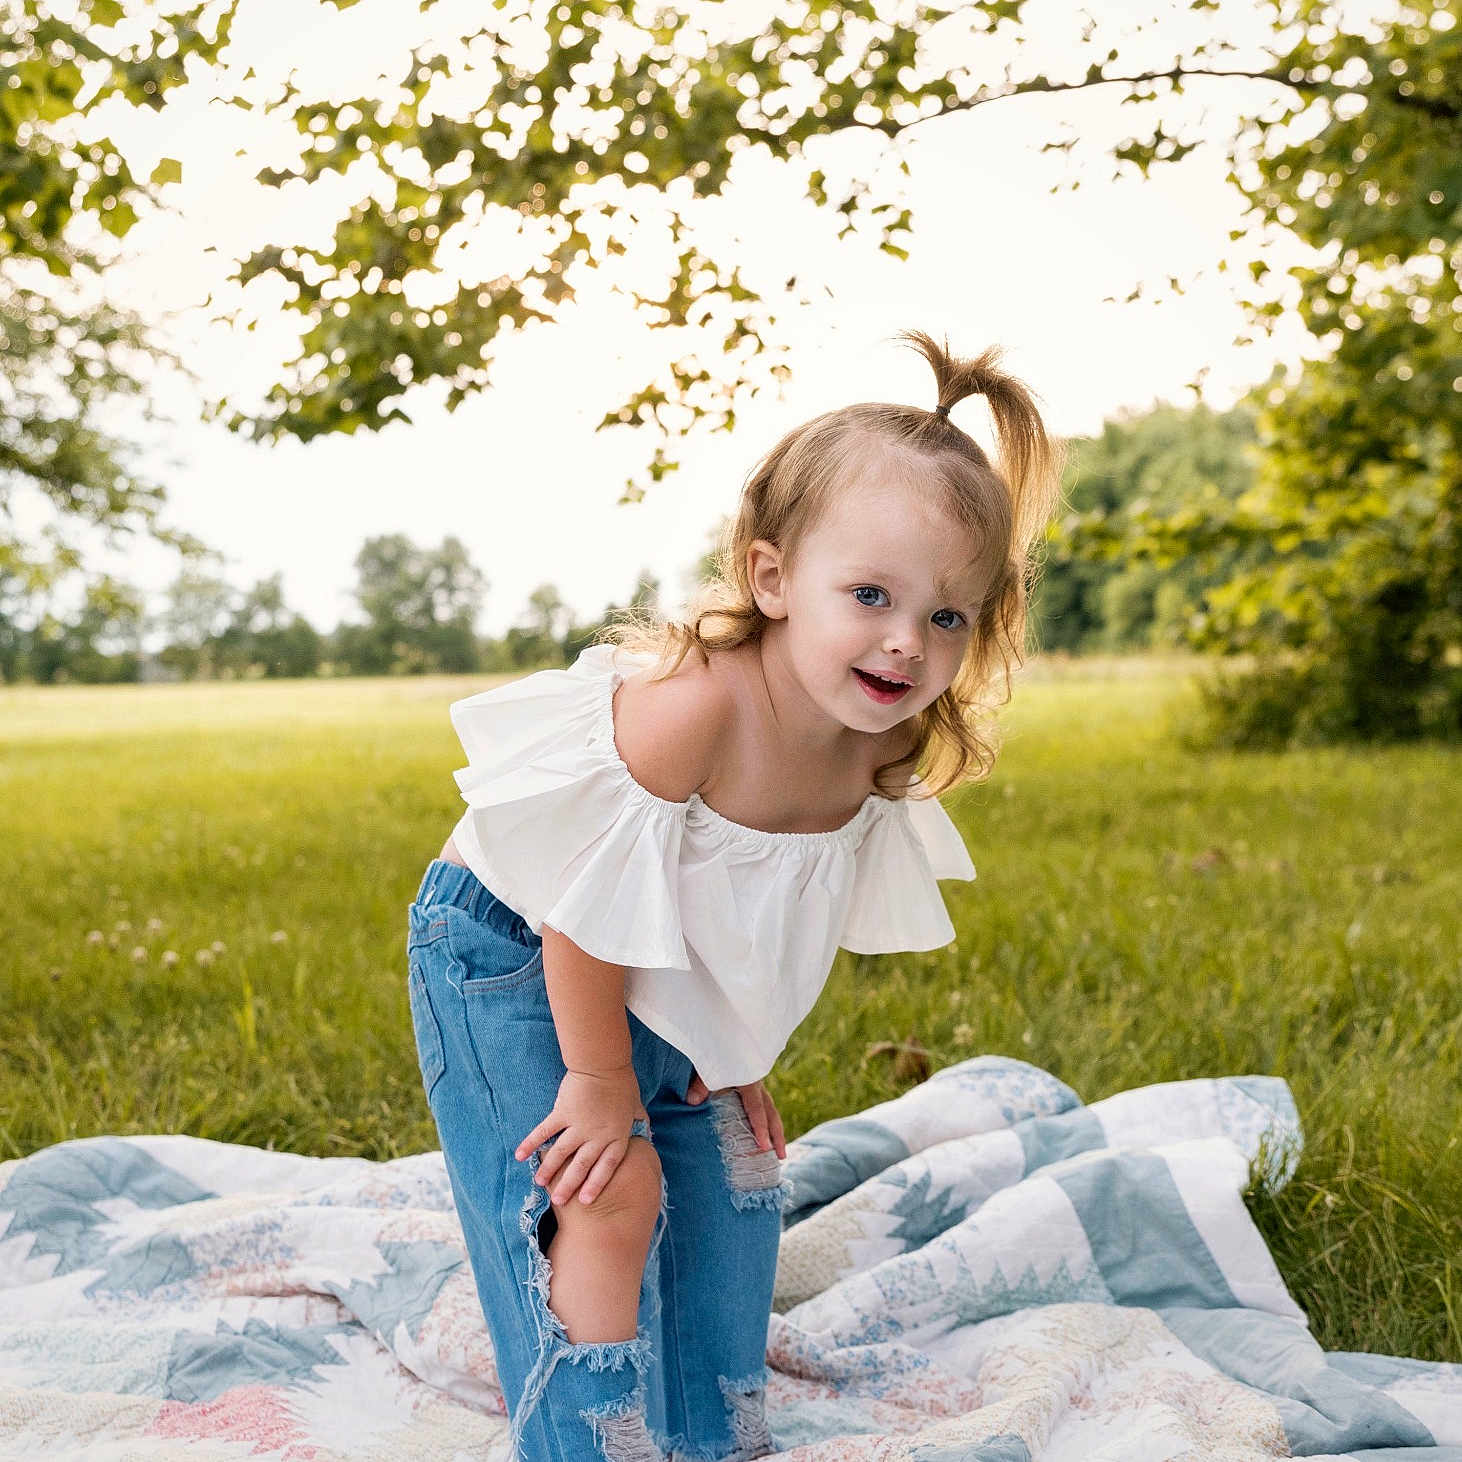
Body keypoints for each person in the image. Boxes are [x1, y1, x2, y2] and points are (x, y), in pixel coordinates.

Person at [405, 327, 1066, 1460]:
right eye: (868, 594)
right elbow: (581, 907)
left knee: (739, 1167)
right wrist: (603, 1080)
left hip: (654, 964)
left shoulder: (879, 740)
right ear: (771, 578)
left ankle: (710, 1433)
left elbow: (763, 911)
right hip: (520, 955)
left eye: (946, 615)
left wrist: (738, 1049)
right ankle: (583, 1443)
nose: (905, 641)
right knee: (609, 1189)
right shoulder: (694, 711)